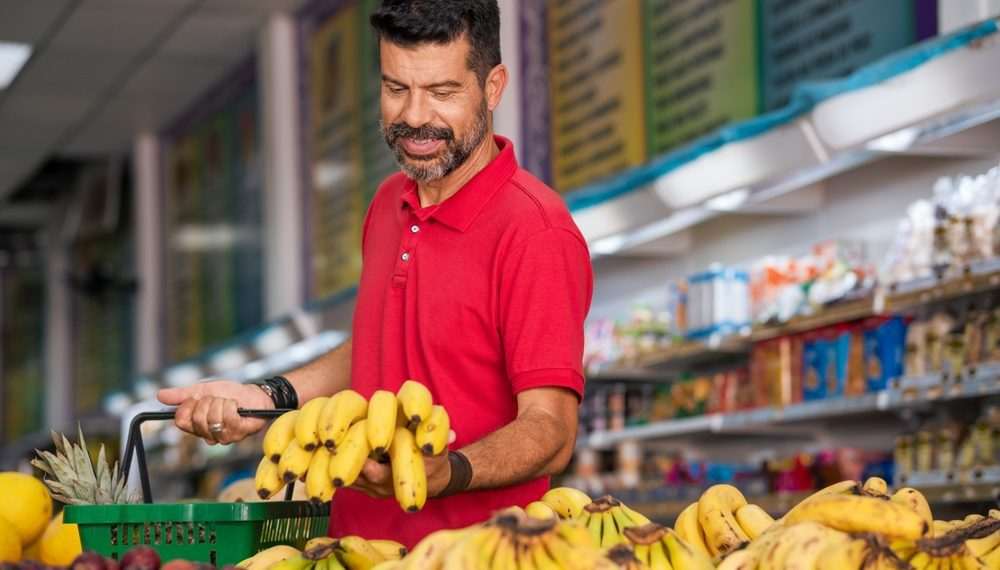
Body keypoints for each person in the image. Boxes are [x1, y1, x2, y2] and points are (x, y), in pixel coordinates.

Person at [158, 0, 593, 547]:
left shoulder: (535, 231)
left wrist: (448, 472)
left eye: (442, 92)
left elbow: (552, 430)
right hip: (353, 549)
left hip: (472, 555)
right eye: (395, 88)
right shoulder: (389, 202)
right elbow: (377, 343)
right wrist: (265, 397)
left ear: (494, 86)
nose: (414, 117)